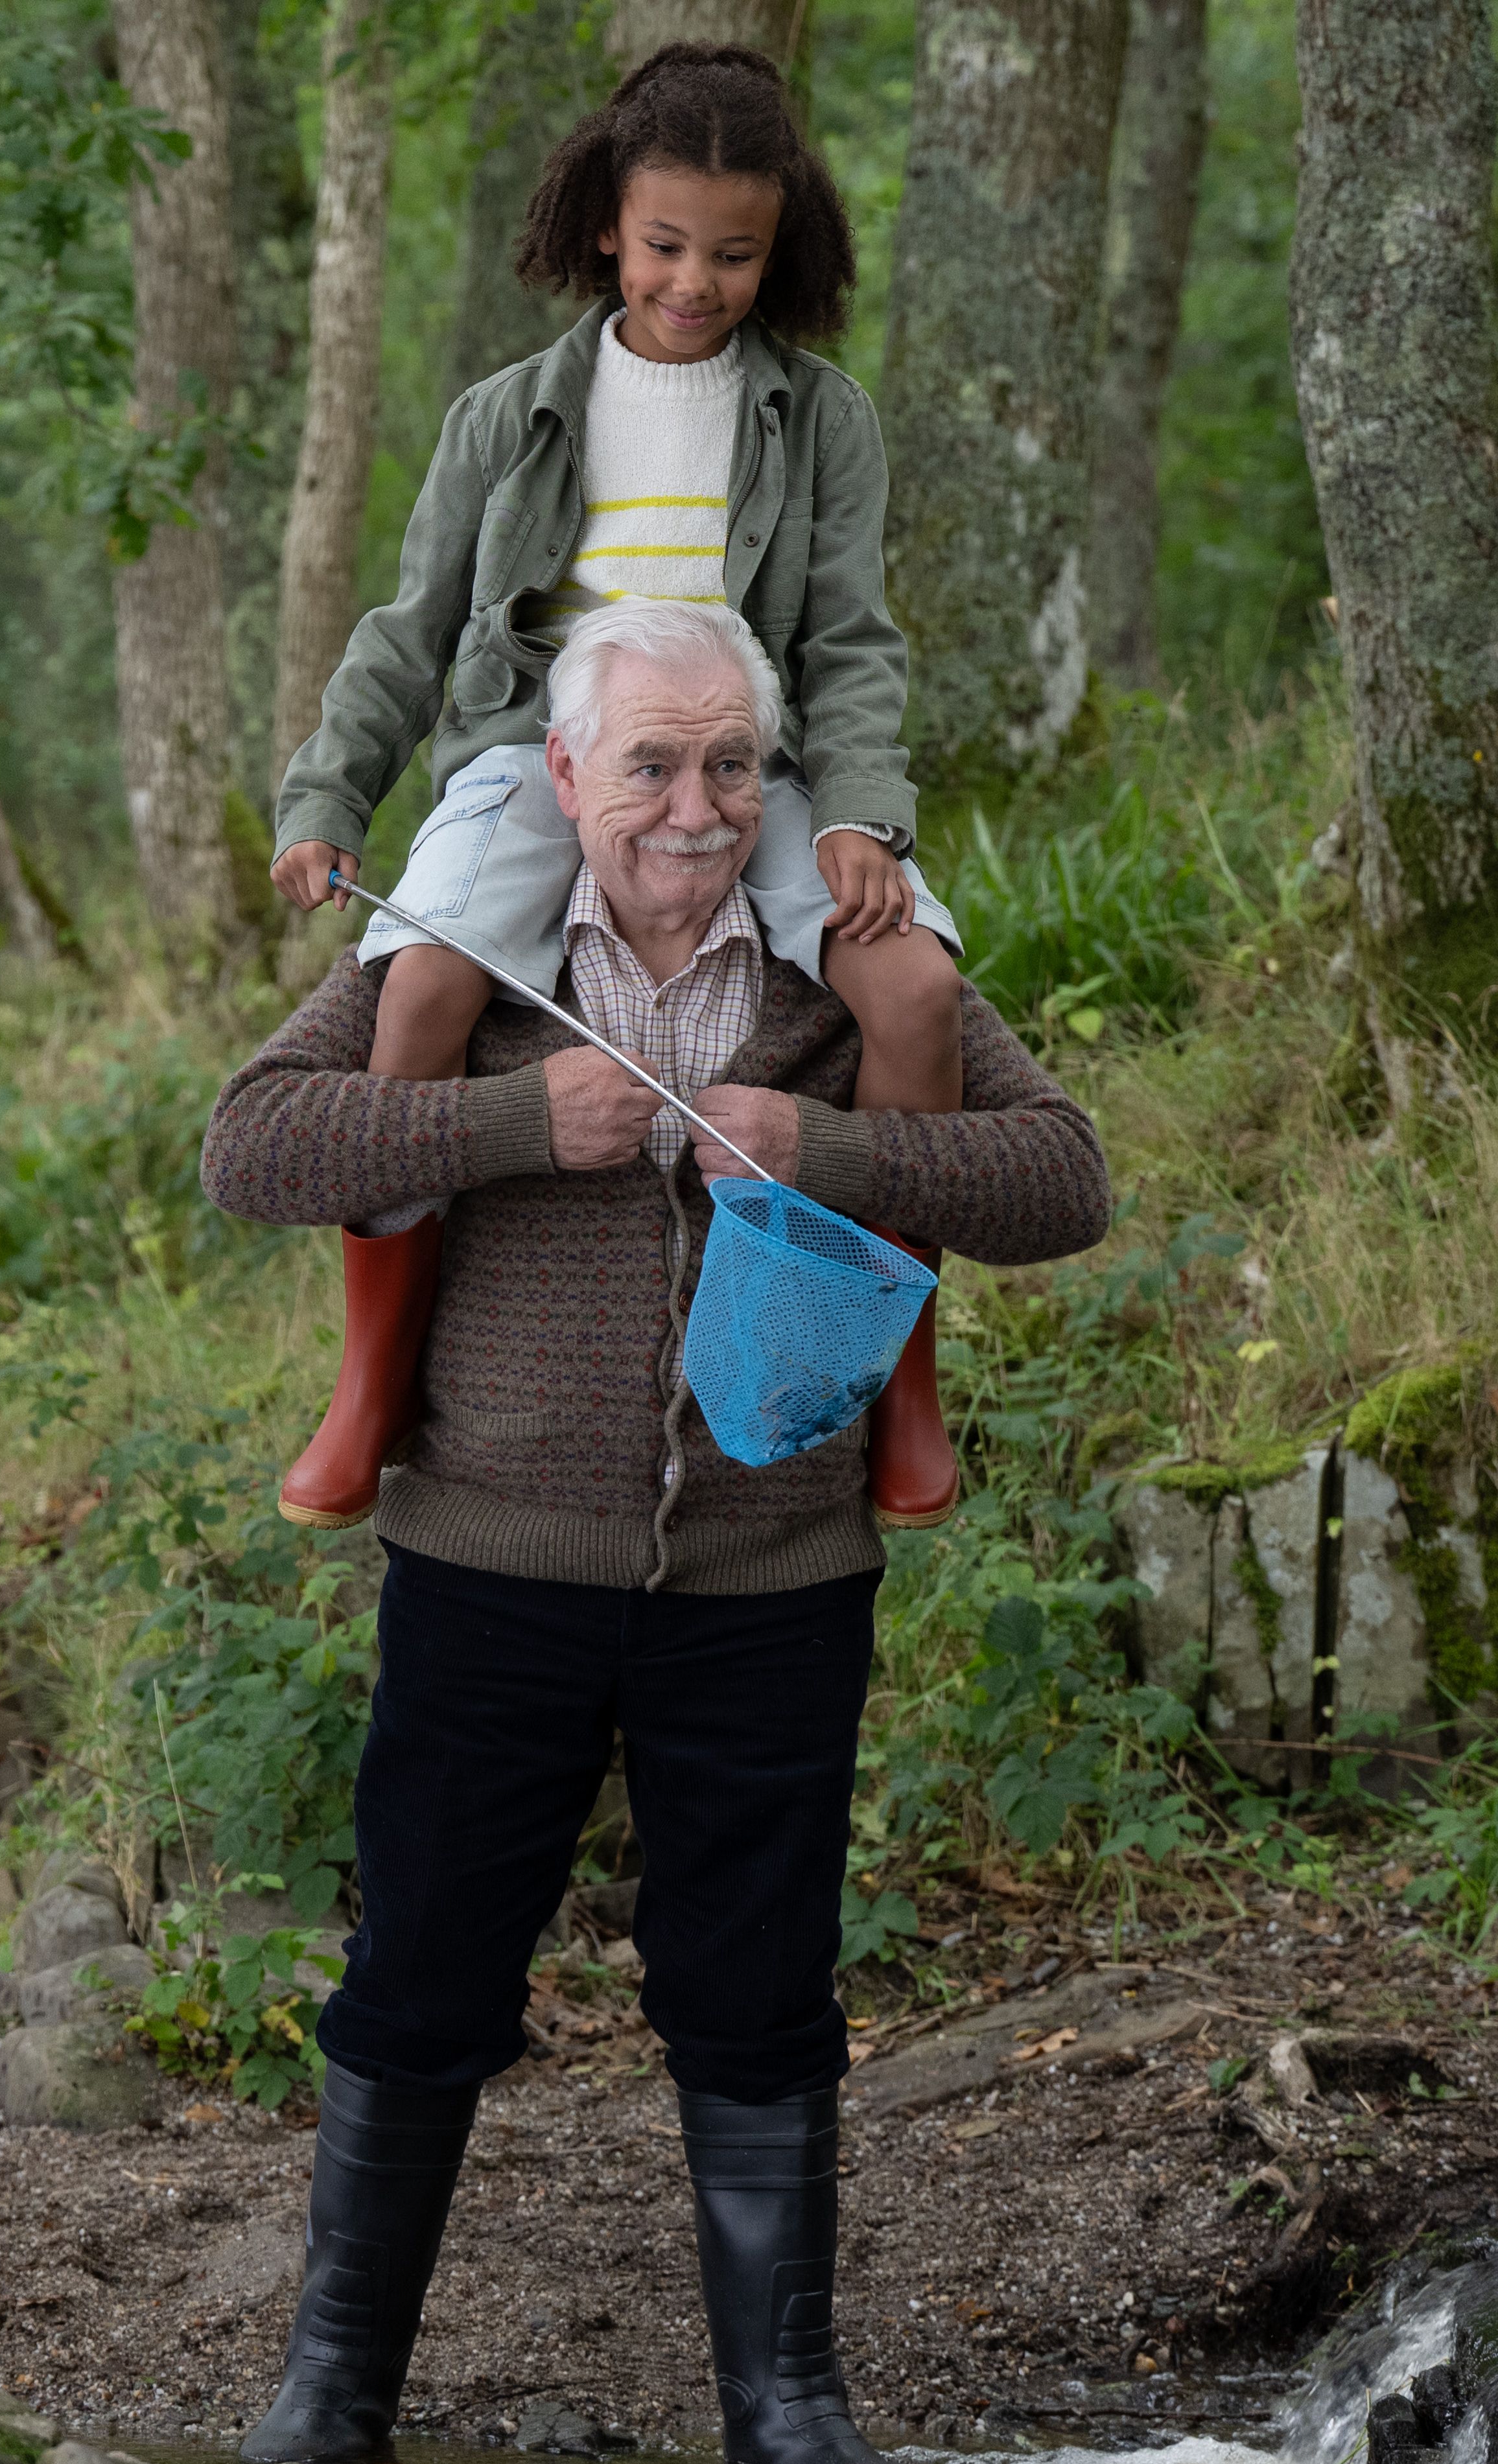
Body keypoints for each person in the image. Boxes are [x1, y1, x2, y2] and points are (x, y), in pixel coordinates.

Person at [198, 597, 1112, 2464]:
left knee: (757, 1988)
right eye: (648, 765)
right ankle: (329, 2400)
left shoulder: (836, 969)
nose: (690, 807)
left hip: (772, 1578)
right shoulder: (466, 947)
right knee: (425, 1971)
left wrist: (826, 1142)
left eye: (728, 765)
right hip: (488, 1559)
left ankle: (785, 2422)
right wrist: (520, 1119)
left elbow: (1063, 1177)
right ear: (559, 777)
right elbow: (250, 1144)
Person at [259, 41, 972, 1540]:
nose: (693, 281)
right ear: (605, 224)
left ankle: (896, 1364)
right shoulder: (507, 412)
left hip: (744, 757)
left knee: (908, 995)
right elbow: (407, 631)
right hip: (537, 751)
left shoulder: (819, 416)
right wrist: (328, 792)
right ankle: (375, 1370)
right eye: (663, 245)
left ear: (781, 249)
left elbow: (847, 642)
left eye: (733, 252)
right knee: (426, 987)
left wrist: (853, 814)